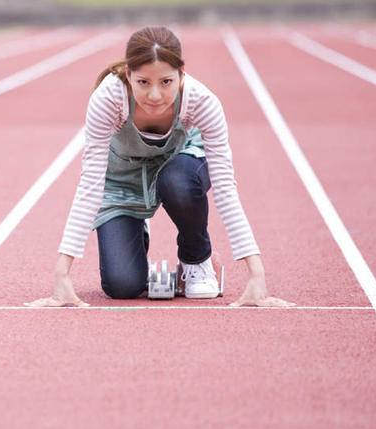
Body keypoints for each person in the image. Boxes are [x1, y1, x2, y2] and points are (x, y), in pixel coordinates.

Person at [26, 26, 293, 308]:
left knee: (176, 181)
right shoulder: (108, 99)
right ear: (128, 75)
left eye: (166, 82)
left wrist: (256, 275)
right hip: (124, 180)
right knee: (122, 286)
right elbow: (91, 183)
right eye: (143, 82)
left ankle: (196, 260)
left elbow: (225, 187)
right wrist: (62, 274)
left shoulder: (202, 101)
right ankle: (137, 226)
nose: (155, 95)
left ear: (181, 74)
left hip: (181, 166)